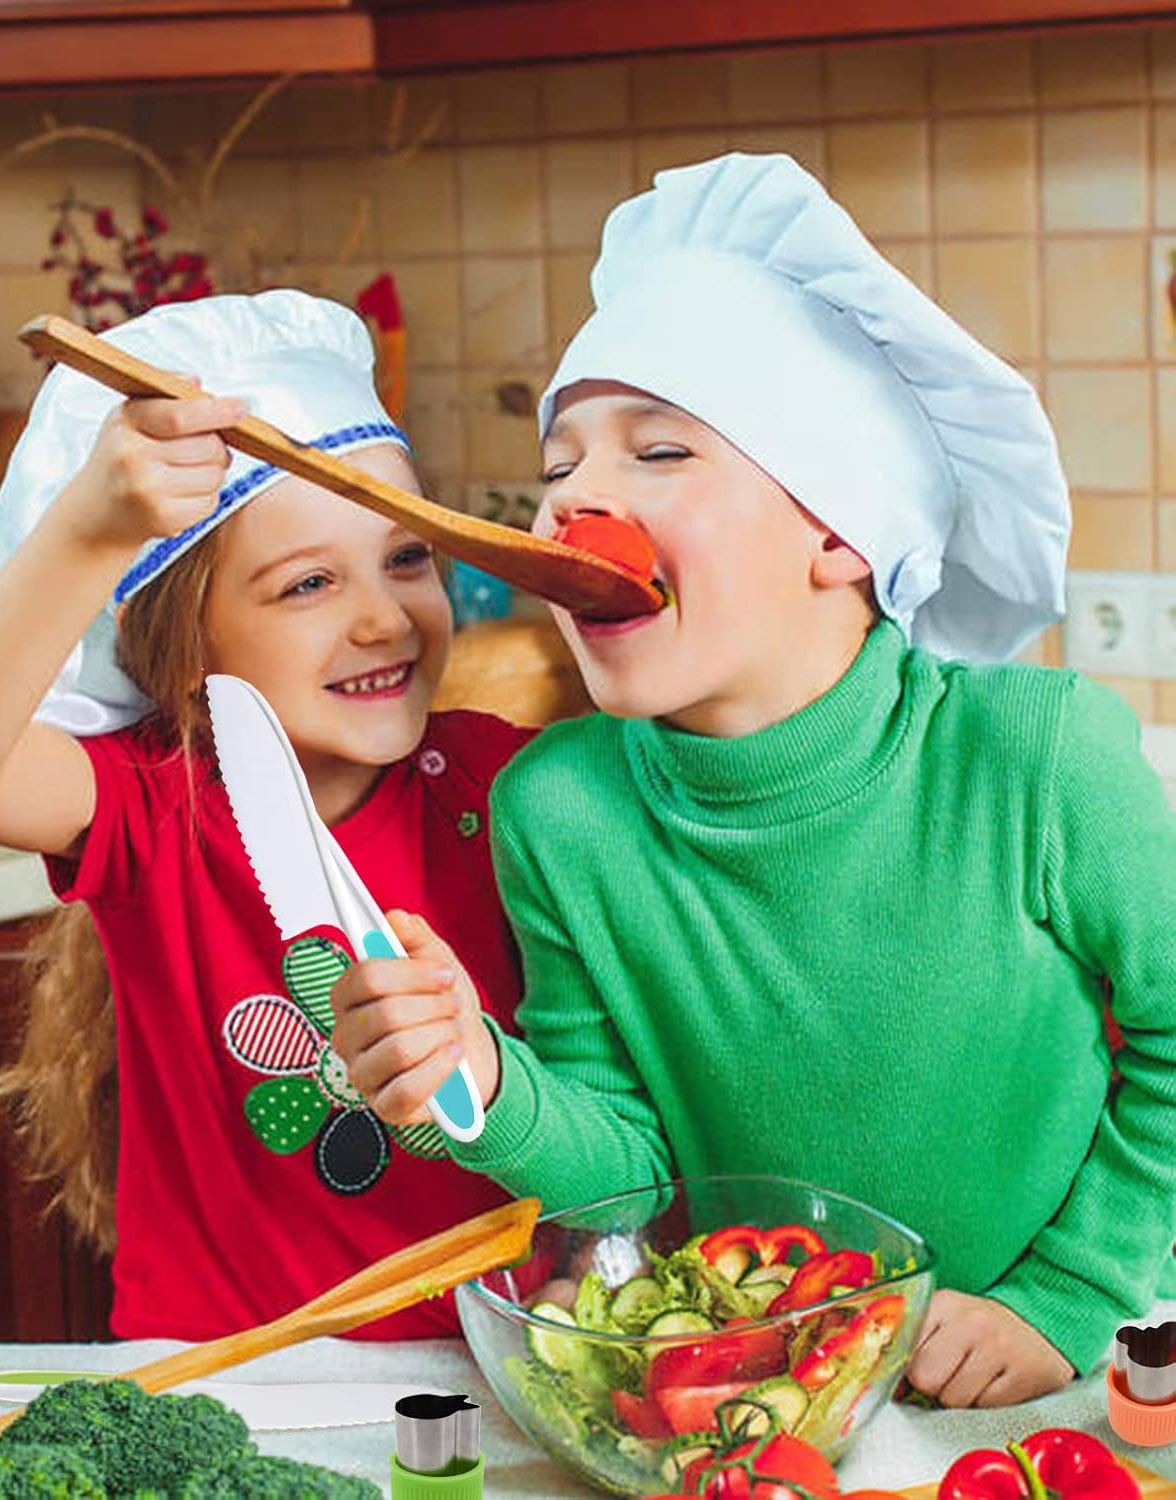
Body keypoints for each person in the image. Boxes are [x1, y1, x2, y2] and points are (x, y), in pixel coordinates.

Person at [328, 154, 1176, 1406]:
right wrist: (488, 1082)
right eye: (557, 469)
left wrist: (1064, 1298)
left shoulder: (1037, 756)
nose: (576, 506)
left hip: (1055, 1383)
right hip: (760, 1399)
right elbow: (631, 1172)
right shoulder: (559, 810)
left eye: (659, 451)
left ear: (841, 530)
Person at [0, 290, 532, 1342]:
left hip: (498, 1374)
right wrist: (89, 535)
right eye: (307, 584)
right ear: (187, 649)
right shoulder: (158, 806)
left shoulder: (508, 789)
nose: (383, 616)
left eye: (407, 556)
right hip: (229, 1384)